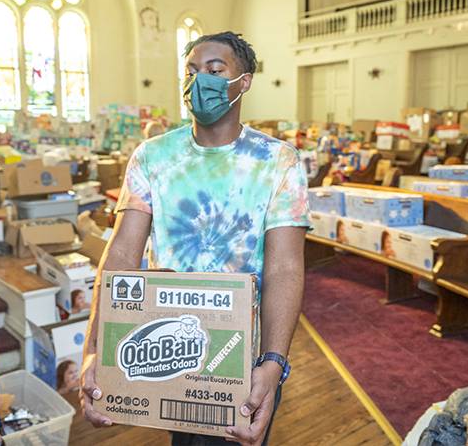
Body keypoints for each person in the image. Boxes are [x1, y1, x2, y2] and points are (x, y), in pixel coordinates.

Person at [80, 31, 312, 446]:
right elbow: (122, 251)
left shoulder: (279, 161)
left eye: (214, 69)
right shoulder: (151, 156)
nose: (198, 79)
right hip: (169, 347)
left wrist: (274, 362)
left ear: (244, 81)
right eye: (190, 70)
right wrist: (95, 349)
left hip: (243, 356)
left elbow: (285, 267)